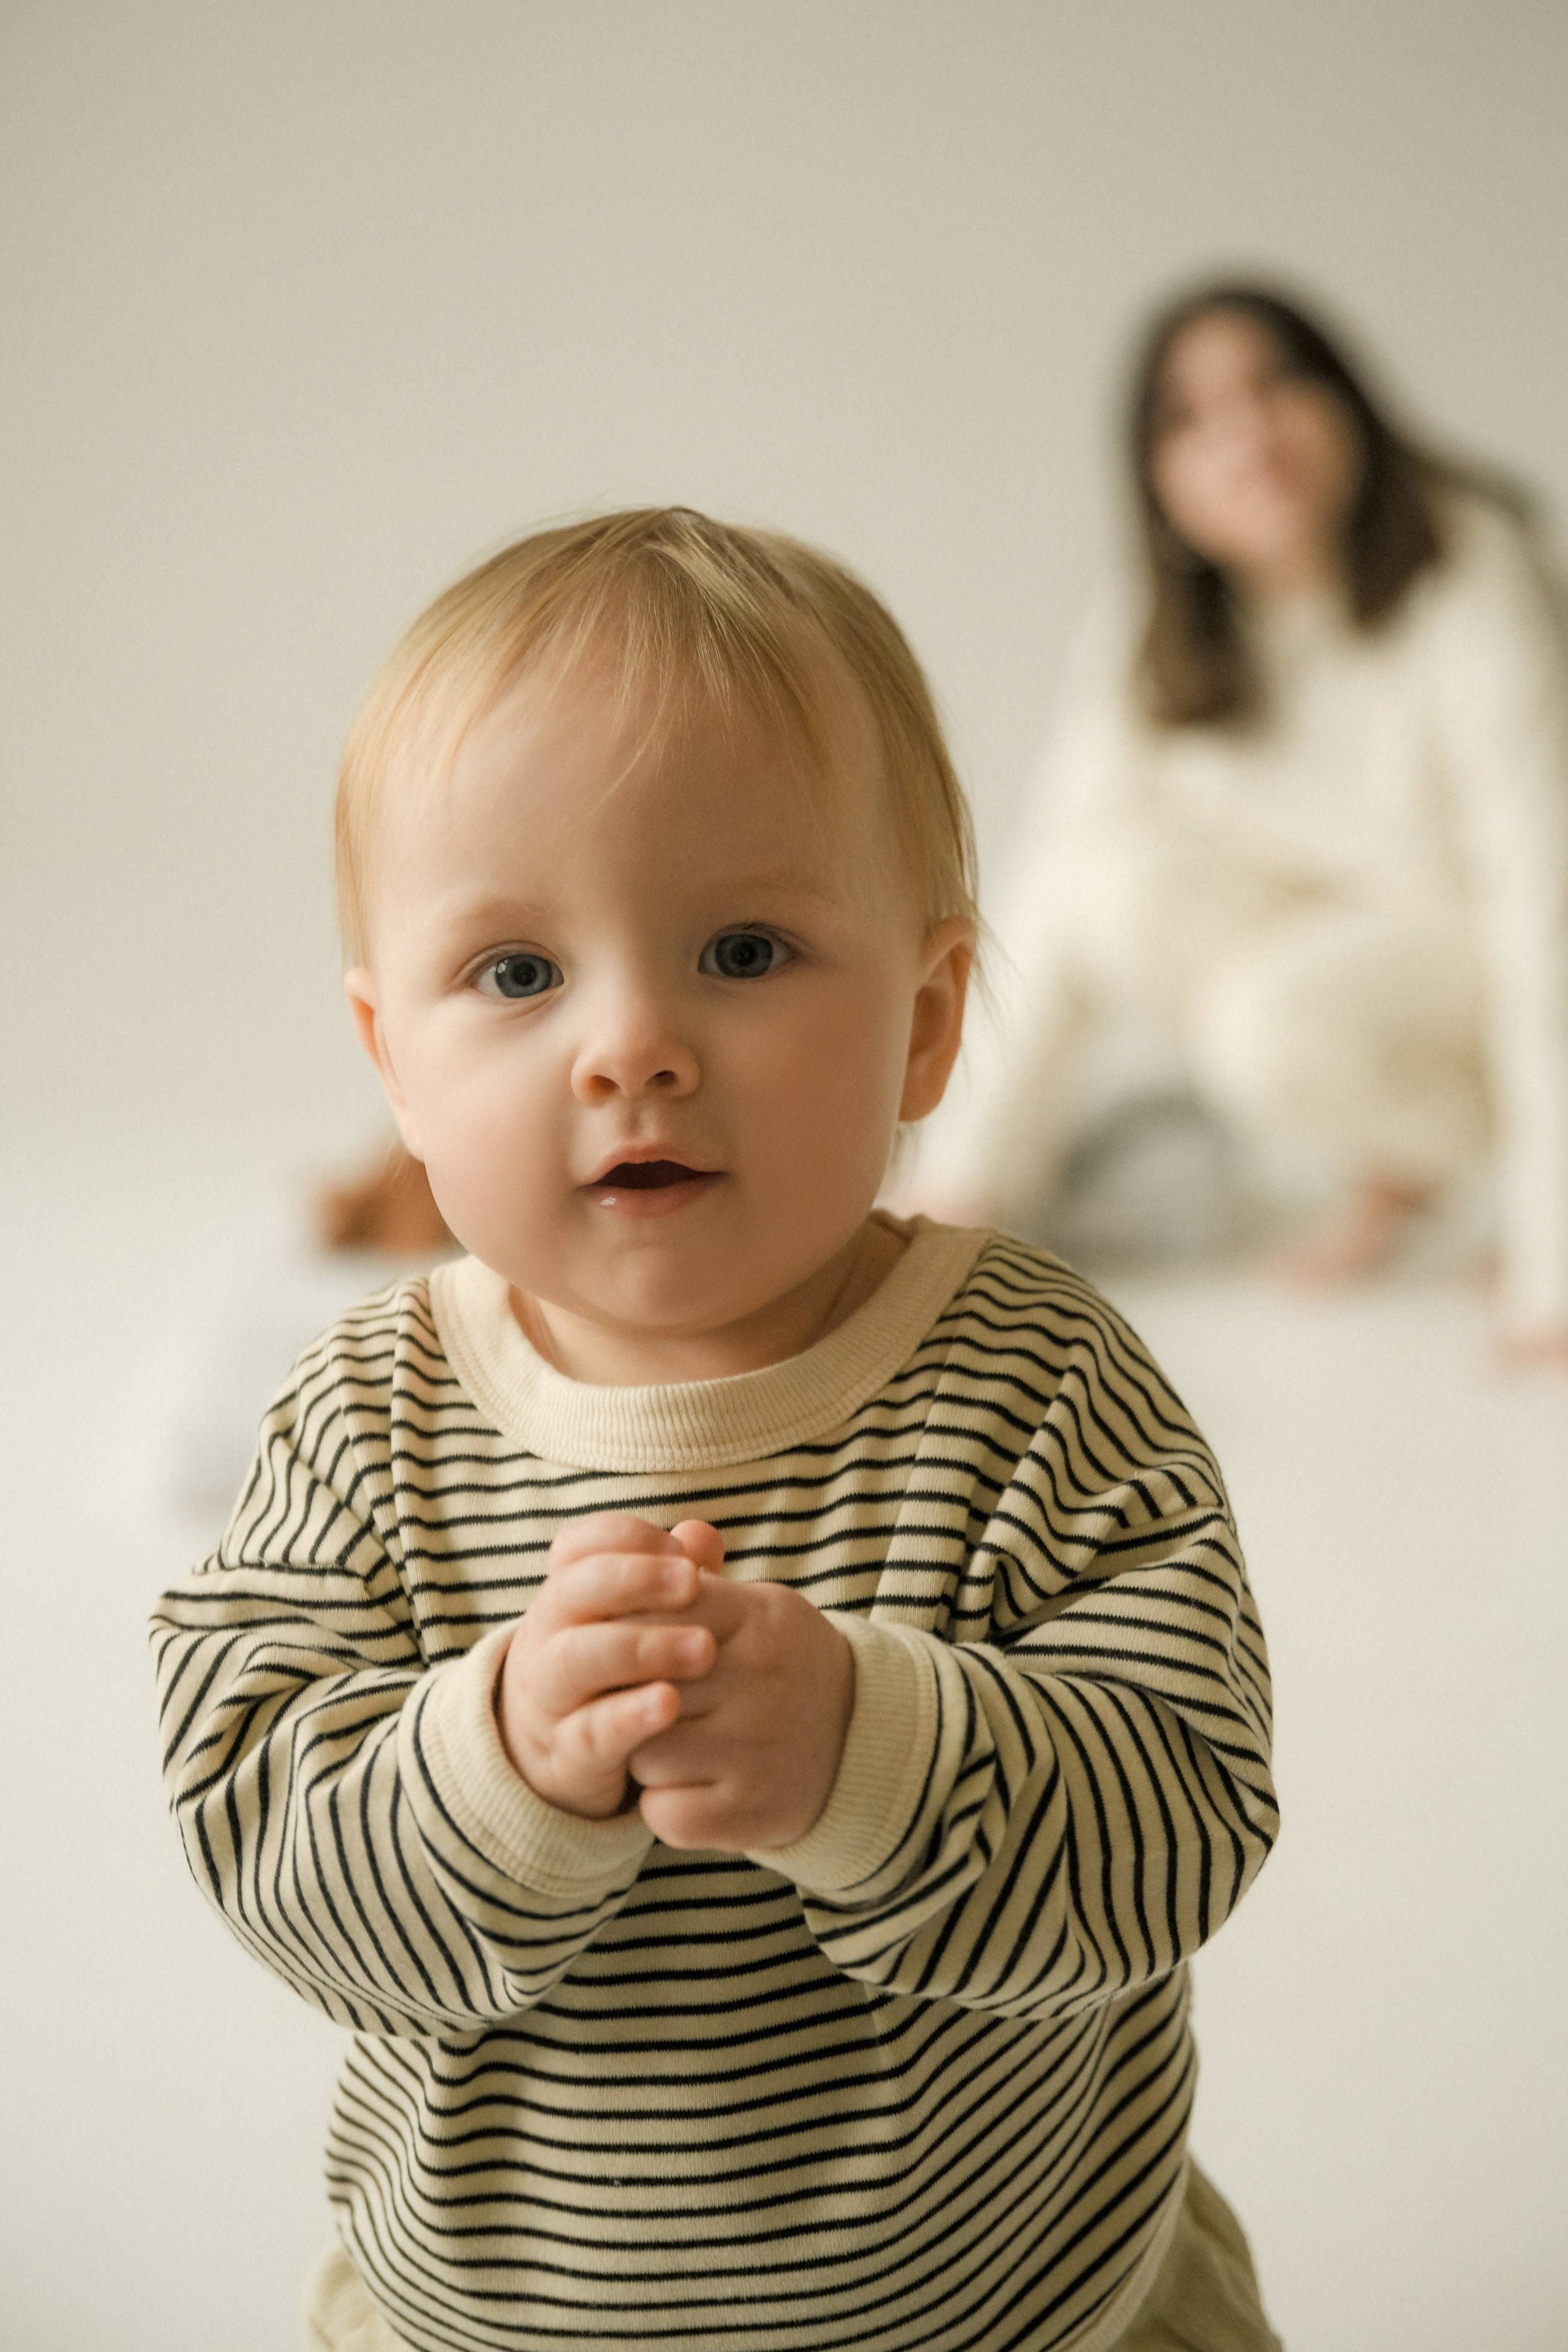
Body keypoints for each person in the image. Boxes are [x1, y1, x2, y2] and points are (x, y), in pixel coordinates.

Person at [150, 509, 1281, 2352]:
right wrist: (492, 1765)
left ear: (927, 1025)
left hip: (1045, 2302)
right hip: (486, 2315)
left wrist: (871, 1747)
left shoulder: (1037, 1381)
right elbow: (273, 1861)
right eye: (518, 975)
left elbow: (1183, 1820)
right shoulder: (366, 1420)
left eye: (745, 949)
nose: (633, 1047)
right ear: (393, 1065)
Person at [919, 284, 1568, 1363]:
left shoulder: (1467, 568)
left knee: (1267, 1025)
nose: (1245, 434)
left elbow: (1544, 911)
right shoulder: (1159, 616)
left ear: (1348, 403)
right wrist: (957, 1186)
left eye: (1276, 384)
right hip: (1346, 954)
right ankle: (963, 1211)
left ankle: (1475, 1182)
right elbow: (1054, 878)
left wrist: (1555, 1262)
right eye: (1191, 417)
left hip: (1480, 943)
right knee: (1106, 884)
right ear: (1158, 481)